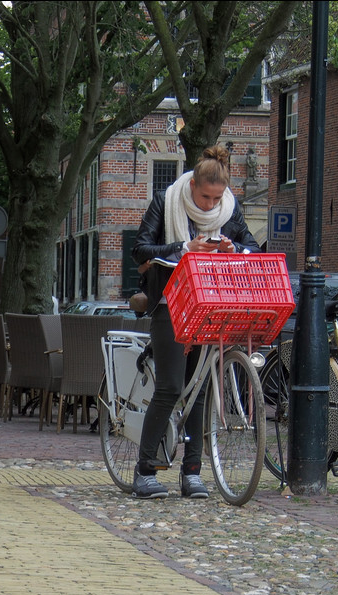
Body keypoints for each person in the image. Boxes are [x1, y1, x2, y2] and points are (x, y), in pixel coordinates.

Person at [129, 144, 260, 499]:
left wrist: (236, 250)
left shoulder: (228, 210)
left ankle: (192, 472)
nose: (209, 206)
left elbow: (253, 247)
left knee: (201, 387)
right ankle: (144, 469)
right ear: (192, 188)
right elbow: (140, 249)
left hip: (209, 303)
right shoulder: (166, 200)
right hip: (169, 302)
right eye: (204, 197)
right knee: (171, 386)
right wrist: (184, 249)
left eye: (216, 199)